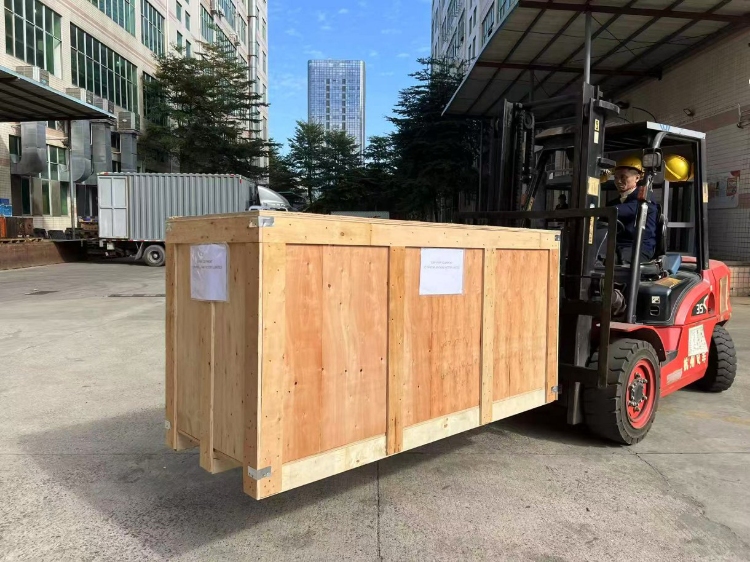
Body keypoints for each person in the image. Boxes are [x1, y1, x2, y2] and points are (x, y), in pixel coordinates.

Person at [606, 156, 658, 264]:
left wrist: (598, 211)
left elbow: (626, 210)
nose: (618, 181)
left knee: (612, 261)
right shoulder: (613, 203)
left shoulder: (644, 200)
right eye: (616, 177)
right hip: (617, 246)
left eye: (623, 177)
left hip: (639, 247)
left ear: (637, 178)